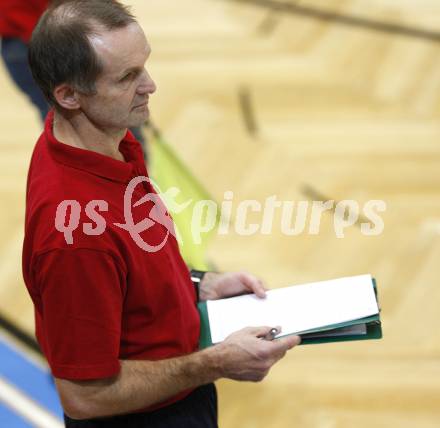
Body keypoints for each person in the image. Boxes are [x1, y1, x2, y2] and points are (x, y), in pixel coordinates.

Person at [22, 1, 301, 426]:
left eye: (144, 65)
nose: (150, 85)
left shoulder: (106, 141)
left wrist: (197, 285)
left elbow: (131, 262)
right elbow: (85, 397)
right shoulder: (75, 238)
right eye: (127, 77)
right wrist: (214, 363)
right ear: (68, 95)